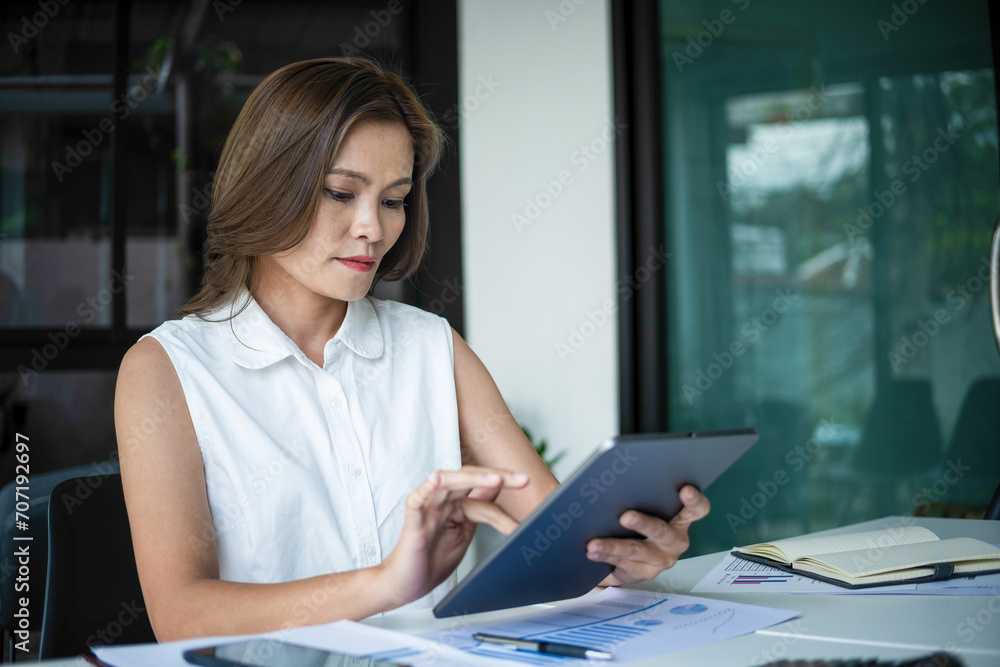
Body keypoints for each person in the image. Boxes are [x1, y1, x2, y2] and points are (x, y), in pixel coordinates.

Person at [114, 57, 710, 642]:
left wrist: (627, 554)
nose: (372, 227)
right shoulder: (167, 371)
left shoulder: (430, 346)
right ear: (267, 185)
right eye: (340, 193)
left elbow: (564, 538)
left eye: (394, 199)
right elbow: (180, 615)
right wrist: (385, 584)